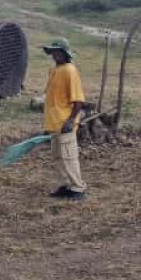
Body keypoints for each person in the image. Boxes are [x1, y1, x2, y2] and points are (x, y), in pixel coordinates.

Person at [42, 38, 87, 201]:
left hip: (65, 122)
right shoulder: (54, 70)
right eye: (53, 51)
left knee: (69, 157)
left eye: (57, 51)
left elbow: (78, 101)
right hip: (53, 123)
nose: (54, 55)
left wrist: (70, 121)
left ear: (65, 53)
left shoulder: (70, 70)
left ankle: (78, 188)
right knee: (57, 157)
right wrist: (47, 124)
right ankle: (65, 185)